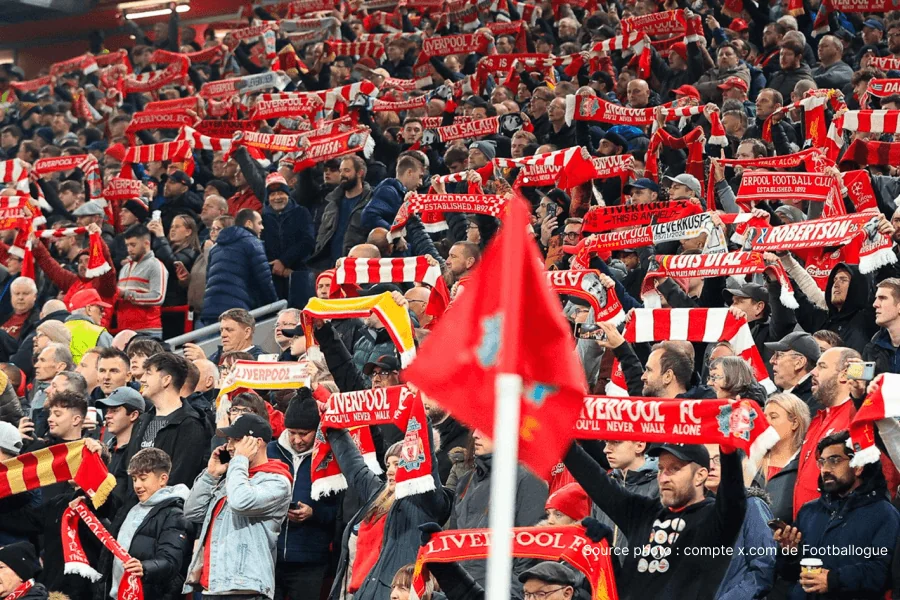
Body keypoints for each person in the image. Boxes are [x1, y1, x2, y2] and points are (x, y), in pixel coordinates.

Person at [565, 440, 746, 600]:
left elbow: (733, 498)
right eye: (661, 469)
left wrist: (728, 450)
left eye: (675, 469)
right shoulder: (643, 513)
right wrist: (561, 441)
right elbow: (597, 481)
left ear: (700, 475)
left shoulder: (715, 520)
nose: (664, 478)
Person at [326, 412, 452, 600]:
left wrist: (420, 421)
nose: (391, 470)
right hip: (359, 592)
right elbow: (354, 465)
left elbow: (427, 469)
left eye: (398, 463)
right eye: (389, 464)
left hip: (394, 593)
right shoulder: (378, 493)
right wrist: (332, 421)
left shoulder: (424, 502)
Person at [774, 431, 900, 599]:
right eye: (822, 462)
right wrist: (790, 553)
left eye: (834, 460)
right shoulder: (809, 511)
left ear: (858, 466)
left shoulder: (884, 514)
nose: (825, 469)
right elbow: (790, 574)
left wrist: (834, 580)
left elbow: (882, 573)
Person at [183, 414, 292, 599]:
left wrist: (239, 461)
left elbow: (241, 502)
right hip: (213, 585)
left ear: (256, 443)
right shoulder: (232, 476)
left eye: (236, 440)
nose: (230, 446)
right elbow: (192, 511)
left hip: (245, 588)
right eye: (229, 440)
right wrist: (211, 475)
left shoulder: (277, 481)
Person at [449, 429, 548, 598]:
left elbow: (529, 551)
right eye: (474, 428)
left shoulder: (528, 479)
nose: (475, 435)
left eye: (484, 427)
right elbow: (452, 542)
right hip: (461, 592)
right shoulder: (466, 481)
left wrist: (511, 595)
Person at [267, 389, 339, 599]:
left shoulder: (331, 457)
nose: (297, 440)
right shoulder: (270, 452)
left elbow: (341, 509)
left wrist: (313, 513)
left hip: (311, 559)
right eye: (292, 432)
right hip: (271, 555)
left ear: (316, 430)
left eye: (303, 433)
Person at [92, 447, 189, 600]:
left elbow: (171, 561)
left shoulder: (175, 514)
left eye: (143, 478)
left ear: (163, 479)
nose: (137, 485)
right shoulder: (130, 505)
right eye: (134, 479)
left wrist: (144, 568)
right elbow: (106, 507)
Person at [124, 353, 209, 490]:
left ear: (166, 380)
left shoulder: (190, 425)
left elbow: (180, 479)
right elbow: (128, 472)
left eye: (148, 373)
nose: (142, 379)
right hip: (134, 509)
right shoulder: (142, 421)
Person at [200, 208, 278, 327]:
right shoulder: (253, 243)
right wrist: (275, 305)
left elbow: (208, 281)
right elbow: (264, 280)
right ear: (248, 224)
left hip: (211, 310)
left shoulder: (215, 248)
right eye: (259, 223)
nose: (262, 228)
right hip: (236, 312)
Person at [116, 224, 168, 337]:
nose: (129, 249)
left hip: (147, 330)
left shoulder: (156, 266)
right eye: (127, 245)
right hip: (124, 330)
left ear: (146, 243)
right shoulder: (125, 268)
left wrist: (127, 294)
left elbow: (158, 297)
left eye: (133, 245)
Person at [97, 386, 145, 500]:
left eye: (114, 410)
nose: (107, 415)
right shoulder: (105, 450)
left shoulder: (140, 455)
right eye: (107, 410)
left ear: (133, 415)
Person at [766, 332, 821, 413]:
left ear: (799, 363)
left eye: (779, 355)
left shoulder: (816, 400)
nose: (772, 361)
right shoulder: (775, 393)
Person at [63, 288, 113, 364]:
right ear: (89, 309)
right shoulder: (99, 333)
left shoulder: (58, 329)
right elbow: (111, 364)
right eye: (101, 309)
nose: (103, 313)